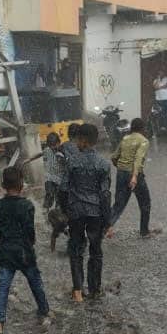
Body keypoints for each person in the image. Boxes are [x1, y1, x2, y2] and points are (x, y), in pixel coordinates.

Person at [0, 167, 51, 333]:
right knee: (35, 283)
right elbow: (29, 229)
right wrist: (31, 243)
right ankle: (44, 311)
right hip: (24, 251)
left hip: (5, 250)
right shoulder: (27, 205)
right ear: (22, 184)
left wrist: (5, 238)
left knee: (3, 288)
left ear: (3, 185)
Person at [62, 123, 112, 302]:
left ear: (83, 141)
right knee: (96, 251)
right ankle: (94, 289)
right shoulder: (104, 164)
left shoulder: (72, 161)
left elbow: (64, 188)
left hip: (75, 211)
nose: (76, 143)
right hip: (95, 213)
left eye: (78, 140)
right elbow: (105, 194)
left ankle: (77, 290)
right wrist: (108, 221)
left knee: (76, 249)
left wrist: (65, 212)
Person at [109, 116, 154, 238]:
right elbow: (138, 159)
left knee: (119, 203)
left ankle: (106, 226)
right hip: (134, 174)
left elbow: (114, 157)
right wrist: (134, 176)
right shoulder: (143, 141)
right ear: (142, 128)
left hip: (121, 172)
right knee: (145, 203)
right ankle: (144, 231)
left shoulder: (125, 138)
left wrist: (120, 167)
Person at [41, 132, 66, 211]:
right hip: (50, 178)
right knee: (49, 194)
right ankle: (45, 211)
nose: (53, 148)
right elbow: (40, 154)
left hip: (60, 180)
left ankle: (58, 212)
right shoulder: (47, 150)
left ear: (59, 142)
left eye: (54, 145)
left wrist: (63, 159)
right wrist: (29, 159)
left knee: (59, 198)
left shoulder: (63, 151)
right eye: (50, 146)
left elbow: (67, 165)